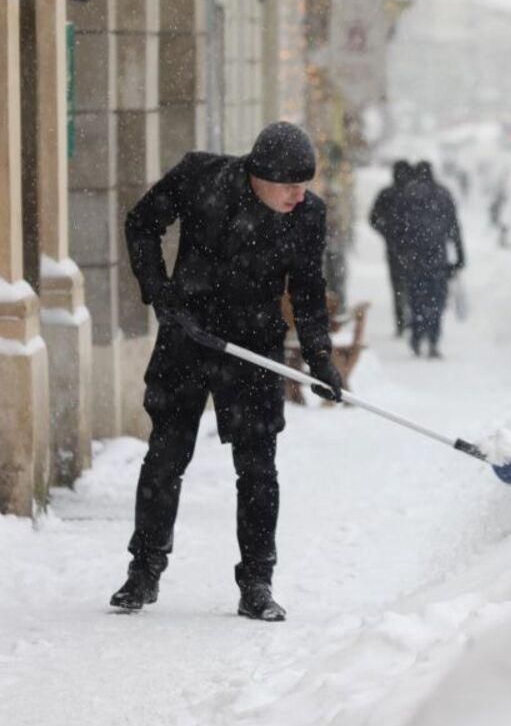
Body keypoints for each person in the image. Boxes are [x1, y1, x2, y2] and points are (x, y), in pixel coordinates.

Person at [111, 122, 343, 622]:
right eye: (289, 185)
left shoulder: (307, 215)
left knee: (258, 469)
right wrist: (160, 291)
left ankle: (257, 582)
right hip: (188, 334)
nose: (298, 195)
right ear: (258, 174)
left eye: (305, 185)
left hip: (253, 346)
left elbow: (306, 290)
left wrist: (321, 359)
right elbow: (143, 222)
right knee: (166, 457)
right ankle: (143, 571)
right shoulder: (201, 177)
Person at [394, 161, 465, 358]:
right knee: (436, 300)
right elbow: (454, 228)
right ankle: (433, 340)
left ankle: (416, 337)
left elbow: (398, 229)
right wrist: (459, 256)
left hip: (414, 259)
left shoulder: (407, 195)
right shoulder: (443, 194)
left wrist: (401, 253)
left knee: (417, 299)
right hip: (437, 259)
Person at [369, 160, 417, 337]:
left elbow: (373, 218)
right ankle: (411, 319)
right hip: (412, 248)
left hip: (394, 247)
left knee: (397, 285)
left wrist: (386, 232)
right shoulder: (413, 194)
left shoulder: (387, 193)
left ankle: (401, 321)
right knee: (412, 283)